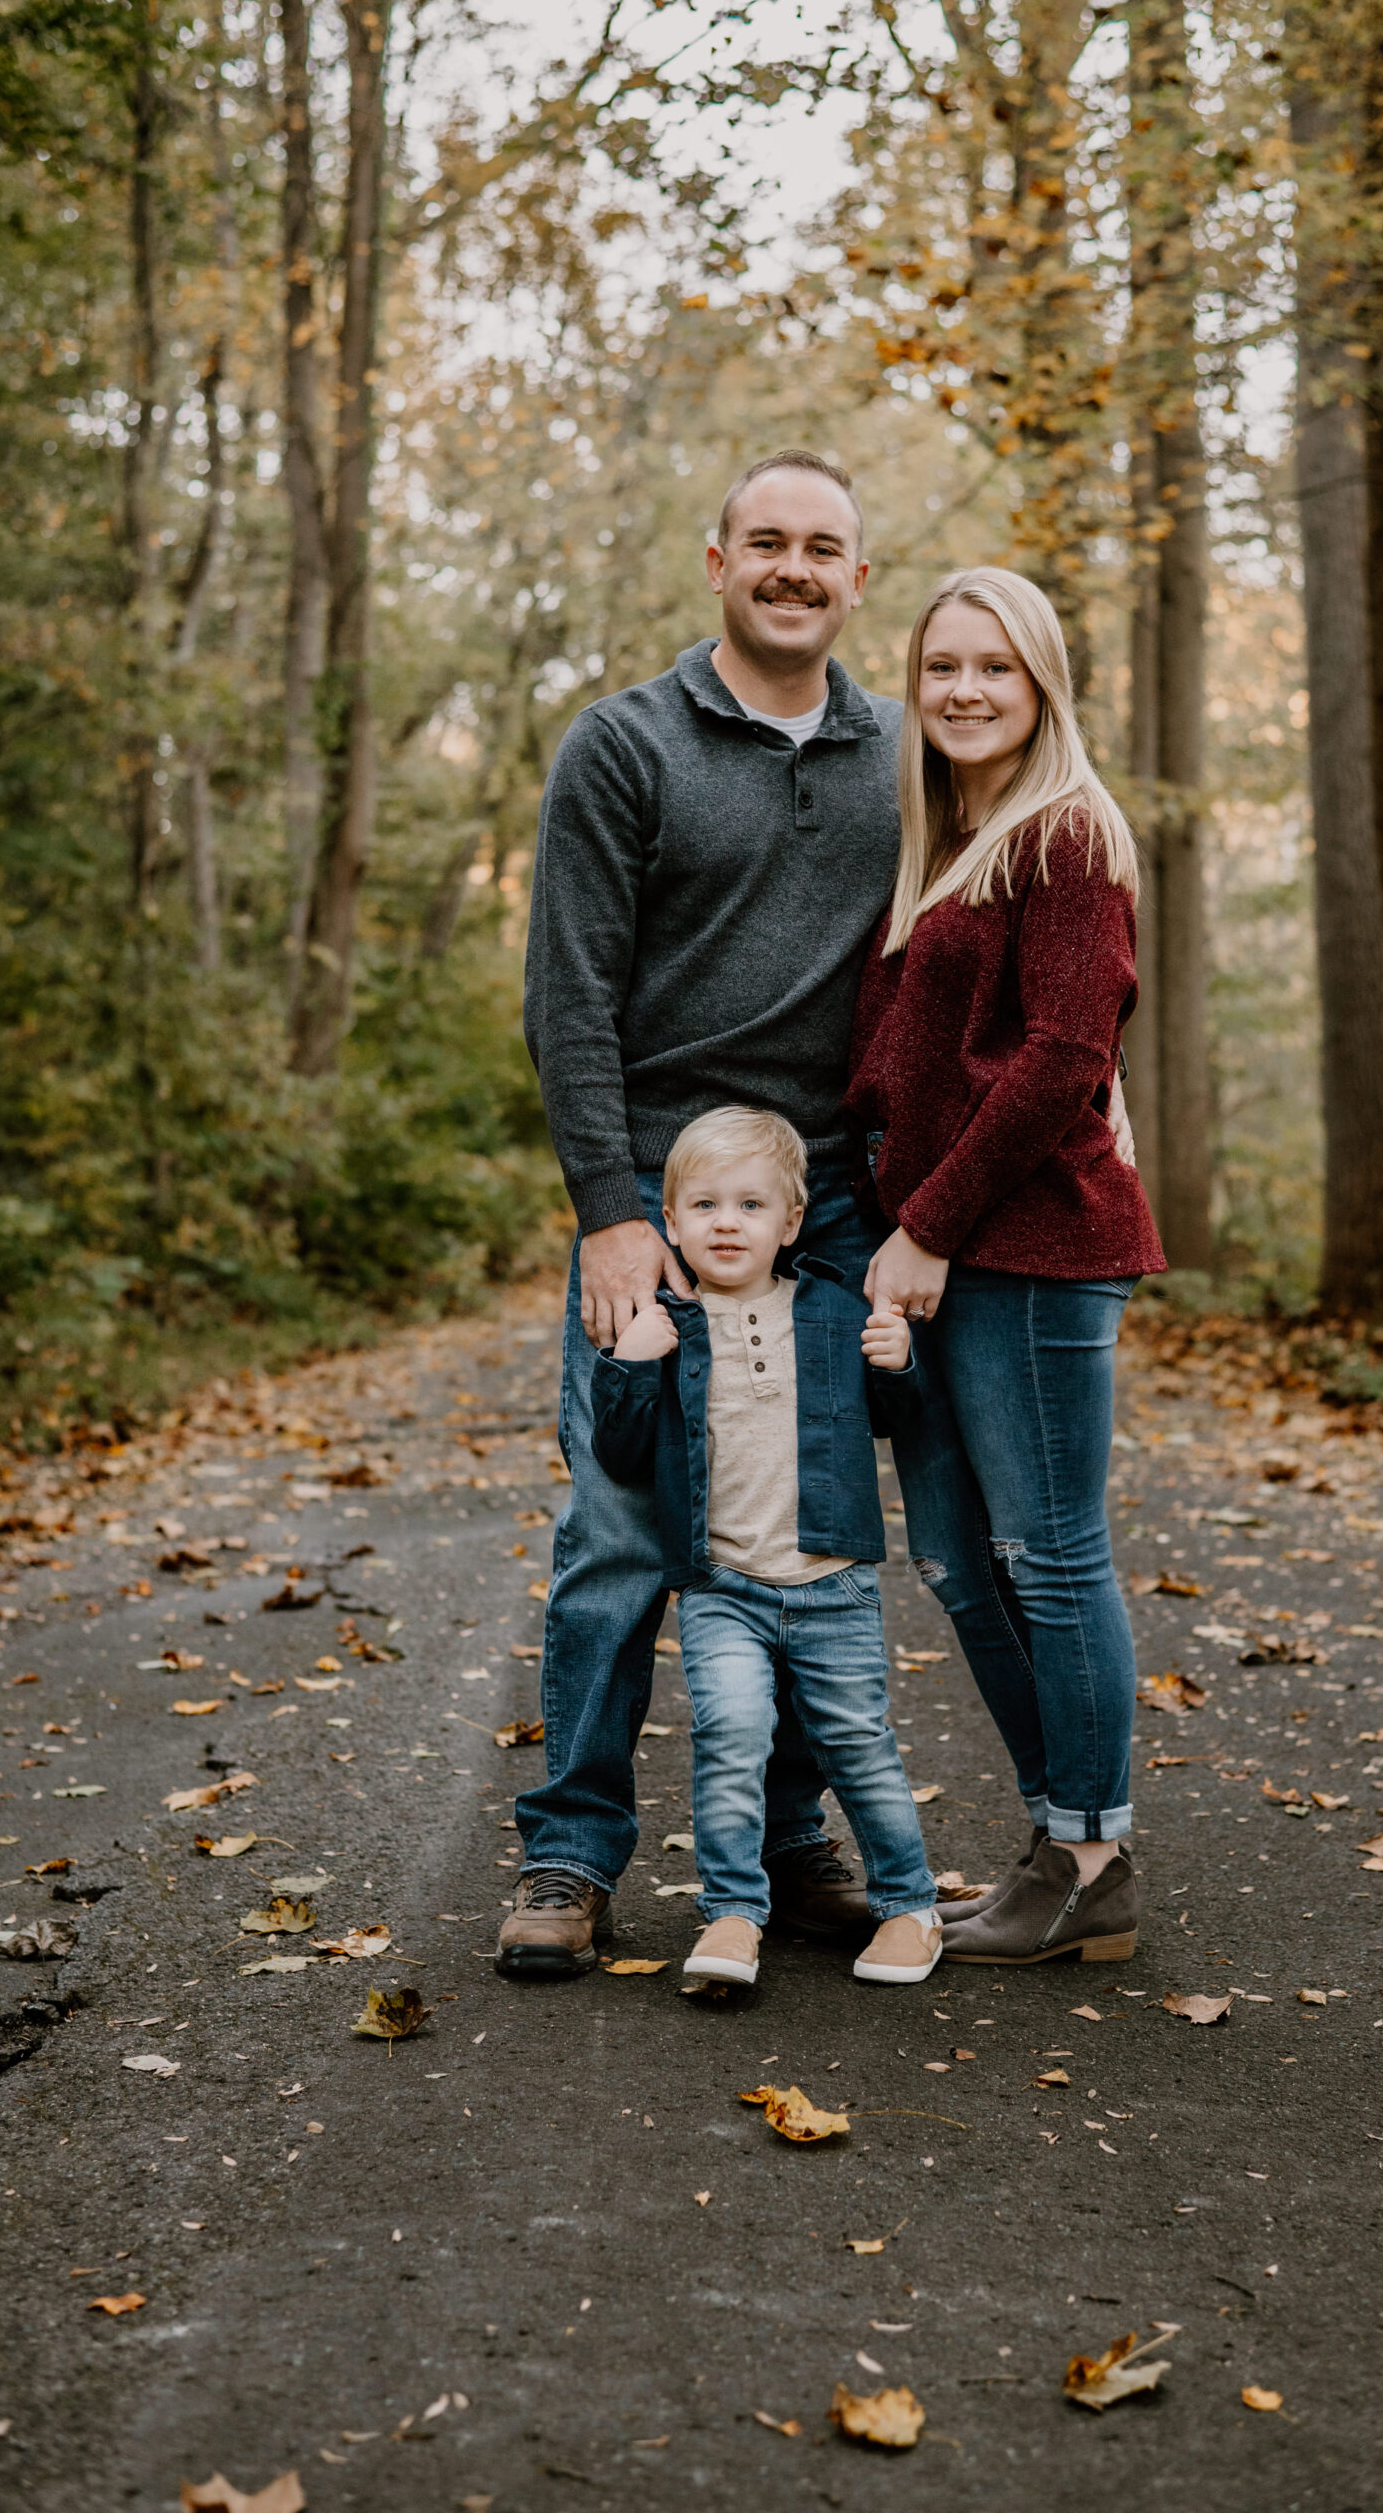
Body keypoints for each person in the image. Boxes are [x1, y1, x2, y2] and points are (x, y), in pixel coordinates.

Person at [503, 449, 905, 1976]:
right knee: (619, 1528)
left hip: (830, 1211)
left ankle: (786, 1846)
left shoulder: (904, 752)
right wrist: (613, 1213)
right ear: (718, 559)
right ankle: (569, 1852)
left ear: (859, 578)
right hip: (663, 1200)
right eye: (769, 543)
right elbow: (571, 997)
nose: (796, 568)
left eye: (826, 547)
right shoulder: (623, 746)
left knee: (797, 1538)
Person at [844, 566, 1167, 1966]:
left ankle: (1090, 1848)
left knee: (1046, 1552)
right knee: (958, 1564)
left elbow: (1060, 1059)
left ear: (1041, 686)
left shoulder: (1067, 835)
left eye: (995, 667)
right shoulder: (946, 838)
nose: (964, 689)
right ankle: (1063, 1835)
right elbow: (905, 1060)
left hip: (1029, 1248)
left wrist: (926, 1228)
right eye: (941, 667)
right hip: (930, 1244)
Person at [590, 1105, 942, 1988]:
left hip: (833, 1581)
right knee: (731, 1735)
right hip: (722, 1587)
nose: (725, 1222)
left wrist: (898, 1361)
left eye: (750, 1205)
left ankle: (908, 1906)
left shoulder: (832, 1307)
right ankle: (732, 1915)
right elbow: (619, 1457)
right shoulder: (667, 1327)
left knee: (857, 1742)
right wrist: (631, 1363)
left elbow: (901, 1423)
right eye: (702, 1205)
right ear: (670, 1222)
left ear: (790, 1222)